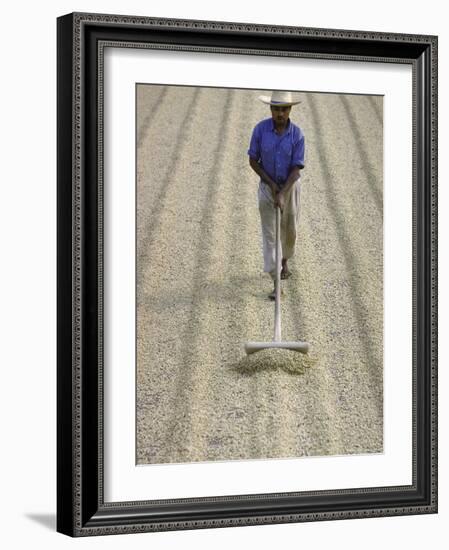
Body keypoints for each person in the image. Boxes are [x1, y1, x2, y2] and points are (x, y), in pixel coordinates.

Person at [247, 90, 305, 299]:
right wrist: (272, 186)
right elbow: (253, 160)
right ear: (270, 109)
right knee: (271, 236)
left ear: (290, 110)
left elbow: (297, 168)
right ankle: (276, 283)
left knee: (290, 230)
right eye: (276, 109)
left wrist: (283, 192)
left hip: (290, 188)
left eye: (284, 109)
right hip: (267, 187)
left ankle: (284, 261)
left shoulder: (297, 135)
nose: (280, 113)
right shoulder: (260, 131)